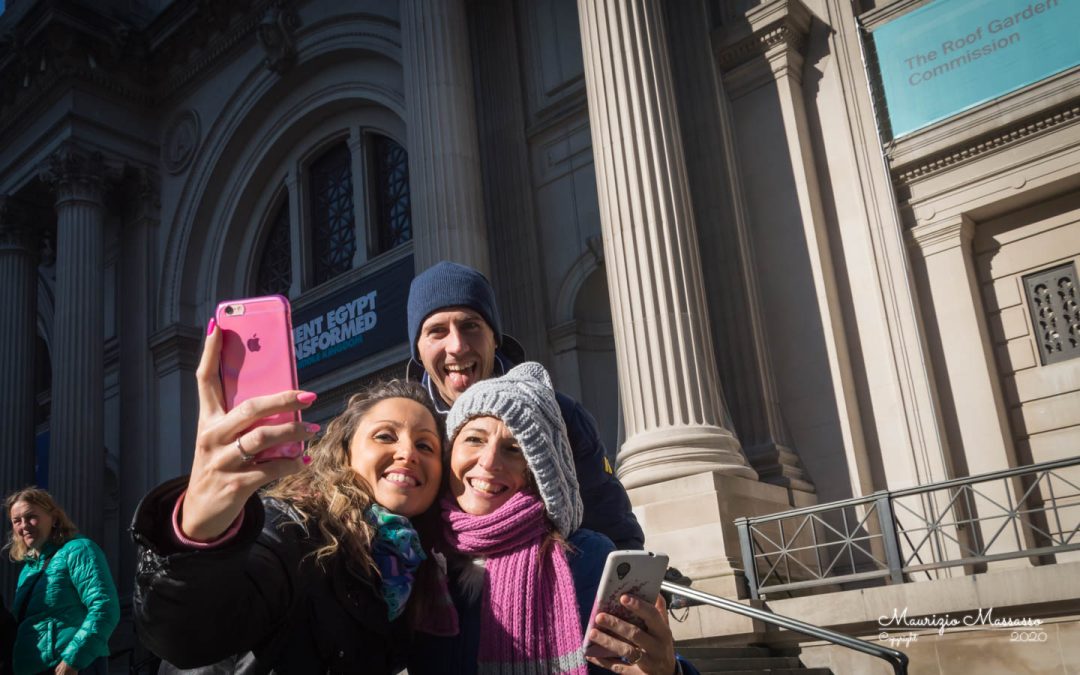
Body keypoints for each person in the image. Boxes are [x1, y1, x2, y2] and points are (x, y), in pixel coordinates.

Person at [131, 319, 445, 673]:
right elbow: (187, 635)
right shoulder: (290, 526)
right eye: (386, 436)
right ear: (345, 453)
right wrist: (198, 536)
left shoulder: (416, 570)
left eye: (425, 445)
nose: (408, 453)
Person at [409, 363, 695, 675]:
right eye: (475, 439)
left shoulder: (587, 558)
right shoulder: (421, 560)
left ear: (537, 473)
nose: (489, 461)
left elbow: (634, 662)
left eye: (514, 448)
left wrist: (669, 672)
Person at [407, 260, 645, 550]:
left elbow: (610, 523)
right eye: (437, 331)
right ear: (418, 349)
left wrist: (633, 582)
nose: (457, 345)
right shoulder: (408, 433)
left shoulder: (561, 417)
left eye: (470, 326)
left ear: (494, 337)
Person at [5, 488, 119, 675]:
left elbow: (105, 607)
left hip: (70, 667)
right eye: (17, 521)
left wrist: (73, 659)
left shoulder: (79, 549)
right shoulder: (28, 569)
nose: (24, 526)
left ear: (54, 518)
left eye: (31, 517)